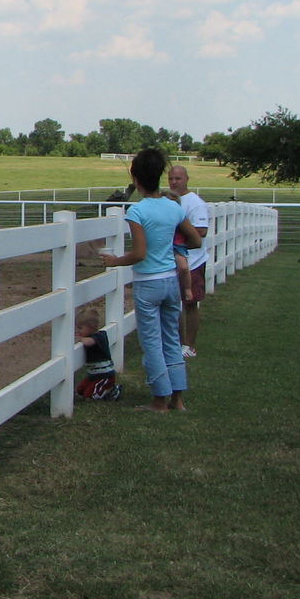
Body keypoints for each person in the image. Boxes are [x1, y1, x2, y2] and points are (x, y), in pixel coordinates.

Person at [101, 148, 203, 413]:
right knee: (172, 339)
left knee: (152, 342)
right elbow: (195, 240)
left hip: (148, 283)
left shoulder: (137, 212)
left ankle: (159, 400)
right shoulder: (173, 207)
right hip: (172, 281)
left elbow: (139, 253)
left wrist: (115, 261)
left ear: (136, 178)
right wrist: (173, 246)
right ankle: (177, 399)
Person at [168, 164, 209, 358]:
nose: (174, 182)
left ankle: (190, 345)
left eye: (178, 178)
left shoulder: (194, 202)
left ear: (186, 179)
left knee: (191, 303)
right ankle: (176, 343)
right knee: (173, 304)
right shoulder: (168, 201)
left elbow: (201, 231)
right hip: (173, 262)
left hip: (193, 261)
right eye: (171, 179)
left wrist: (178, 231)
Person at [74, 306, 122, 401]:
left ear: (90, 327)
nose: (77, 330)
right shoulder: (92, 336)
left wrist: (81, 339)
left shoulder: (99, 337)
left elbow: (89, 342)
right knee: (80, 390)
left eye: (80, 328)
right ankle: (106, 390)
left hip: (105, 376)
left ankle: (112, 392)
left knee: (91, 395)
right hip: (93, 375)